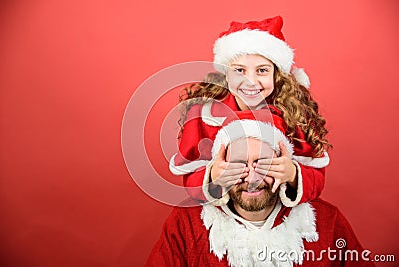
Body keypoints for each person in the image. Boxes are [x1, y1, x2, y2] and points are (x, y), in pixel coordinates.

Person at [146, 114, 374, 267]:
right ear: (219, 166)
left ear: (284, 161)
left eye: (263, 163)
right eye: (238, 164)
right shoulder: (185, 223)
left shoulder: (327, 221)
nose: (252, 178)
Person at [169, 16, 331, 207]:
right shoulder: (205, 116)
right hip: (228, 212)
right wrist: (213, 176)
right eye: (239, 70)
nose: (251, 81)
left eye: (262, 71)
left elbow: (317, 179)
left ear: (276, 76)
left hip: (276, 211)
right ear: (226, 75)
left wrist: (293, 174)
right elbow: (191, 181)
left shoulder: (295, 114)